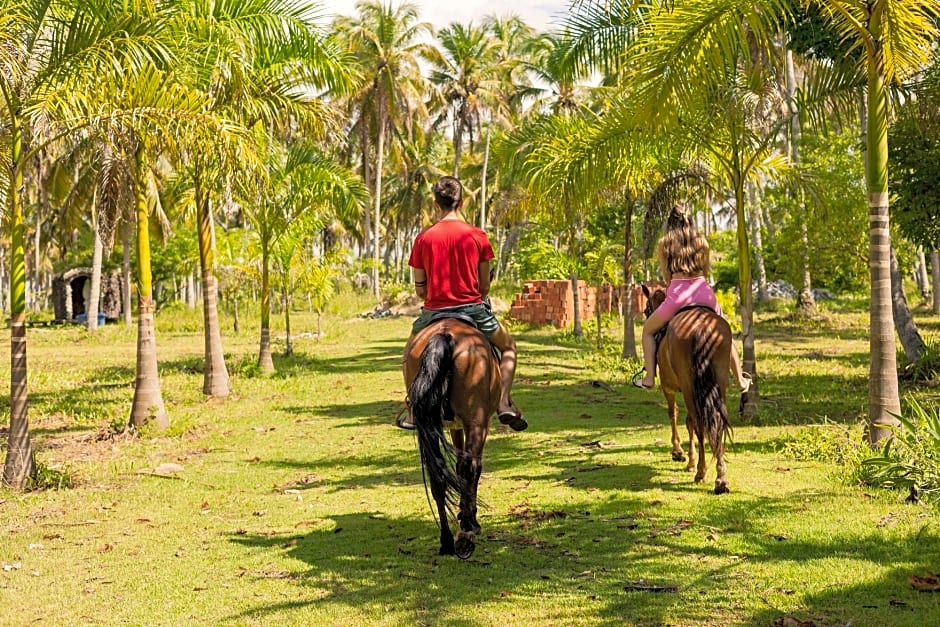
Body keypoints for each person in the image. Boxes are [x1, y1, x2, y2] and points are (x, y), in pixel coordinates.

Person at [397, 176, 527, 431]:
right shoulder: (477, 236)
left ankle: (413, 409)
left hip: (433, 312)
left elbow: (421, 291)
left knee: (409, 353)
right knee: (509, 347)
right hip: (473, 310)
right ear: (462, 202)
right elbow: (484, 288)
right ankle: (503, 403)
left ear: (436, 203)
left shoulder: (423, 239)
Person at [634, 209, 751, 393]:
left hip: (678, 297)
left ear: (670, 223)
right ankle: (740, 379)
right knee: (724, 333)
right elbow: (705, 271)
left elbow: (667, 276)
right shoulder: (701, 242)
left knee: (648, 331)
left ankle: (649, 378)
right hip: (704, 292)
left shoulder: (666, 244)